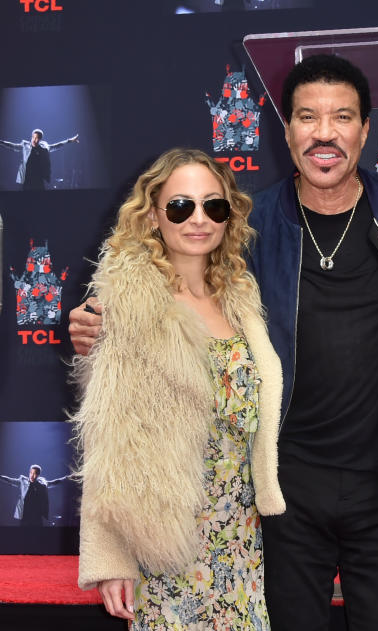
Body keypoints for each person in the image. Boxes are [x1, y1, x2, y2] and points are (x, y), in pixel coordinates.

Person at [69, 54, 378, 631]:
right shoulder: (252, 229)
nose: (324, 132)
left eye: (342, 116)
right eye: (307, 117)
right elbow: (121, 414)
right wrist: (101, 315)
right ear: (285, 131)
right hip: (280, 498)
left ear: (367, 130)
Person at [71, 148, 283, 628]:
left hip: (239, 537)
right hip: (165, 539)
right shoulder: (127, 304)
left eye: (214, 206)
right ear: (152, 215)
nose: (199, 219)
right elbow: (108, 441)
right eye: (181, 206)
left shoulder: (239, 296)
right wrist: (113, 560)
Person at [0, 129, 79, 190]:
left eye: (37, 138)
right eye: (33, 137)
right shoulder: (25, 146)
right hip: (27, 179)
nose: (34, 140)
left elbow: (57, 145)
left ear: (40, 139)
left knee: (39, 198)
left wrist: (69, 141)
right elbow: (12, 145)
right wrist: (1, 142)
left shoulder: (44, 148)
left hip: (38, 179)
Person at [0, 464, 69, 526]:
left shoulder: (42, 484)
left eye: (35, 473)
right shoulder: (23, 482)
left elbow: (54, 482)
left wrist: (66, 478)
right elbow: (9, 480)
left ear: (38, 475)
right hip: (25, 515)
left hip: (37, 516)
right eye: (31, 473)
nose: (32, 475)